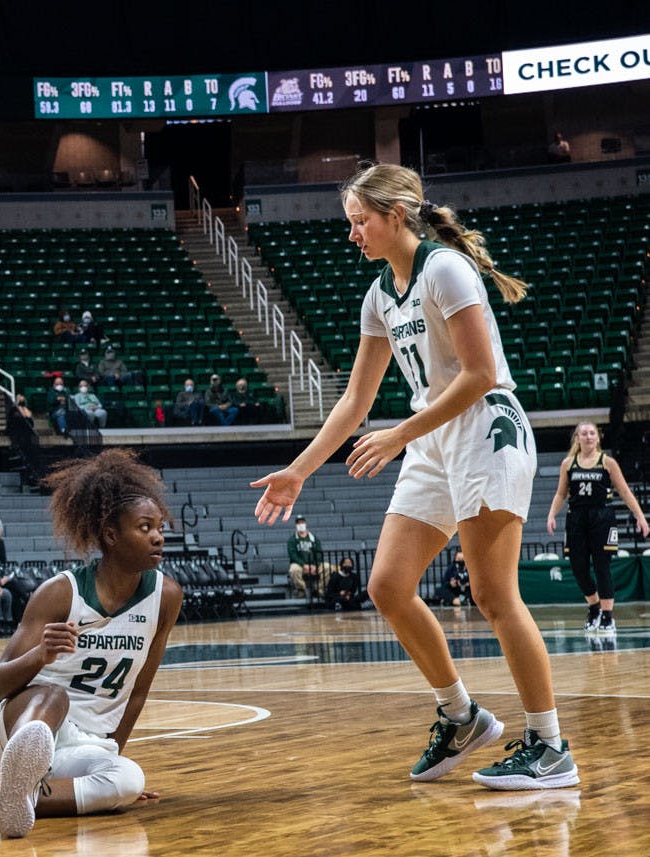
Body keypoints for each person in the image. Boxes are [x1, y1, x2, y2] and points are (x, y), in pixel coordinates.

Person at [251, 162, 578, 789]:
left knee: (492, 592)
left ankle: (549, 743)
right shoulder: (380, 294)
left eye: (359, 222)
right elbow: (353, 401)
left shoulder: (444, 269)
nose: (352, 235)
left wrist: (402, 432)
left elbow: (480, 373)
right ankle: (461, 716)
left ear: (395, 216)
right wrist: (297, 472)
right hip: (431, 438)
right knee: (388, 586)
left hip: (485, 427)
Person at [0, 449, 182, 838]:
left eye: (159, 527)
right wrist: (41, 655)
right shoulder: (59, 593)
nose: (158, 537)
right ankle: (24, 767)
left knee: (128, 780)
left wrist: (110, 760)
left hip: (85, 743)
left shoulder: (166, 596)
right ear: (112, 535)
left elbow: (137, 691)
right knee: (53, 696)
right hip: (24, 723)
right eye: (145, 527)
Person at [546, 422, 649, 634]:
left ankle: (608, 616)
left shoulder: (607, 462)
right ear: (578, 438)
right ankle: (594, 607)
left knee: (602, 567)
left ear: (598, 438)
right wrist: (551, 514)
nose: (588, 436)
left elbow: (625, 492)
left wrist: (640, 517)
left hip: (602, 517)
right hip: (576, 518)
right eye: (584, 433)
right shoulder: (568, 463)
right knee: (578, 568)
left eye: (592, 433)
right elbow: (560, 493)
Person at [286, 516, 325, 597]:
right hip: (300, 565)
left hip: (314, 565)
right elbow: (292, 555)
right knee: (294, 569)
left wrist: (315, 565)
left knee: (327, 567)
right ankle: (301, 590)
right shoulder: (292, 540)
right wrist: (304, 565)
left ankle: (319, 589)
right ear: (295, 525)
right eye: (298, 523)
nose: (301, 524)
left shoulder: (314, 539)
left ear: (306, 523)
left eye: (302, 522)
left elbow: (319, 553)